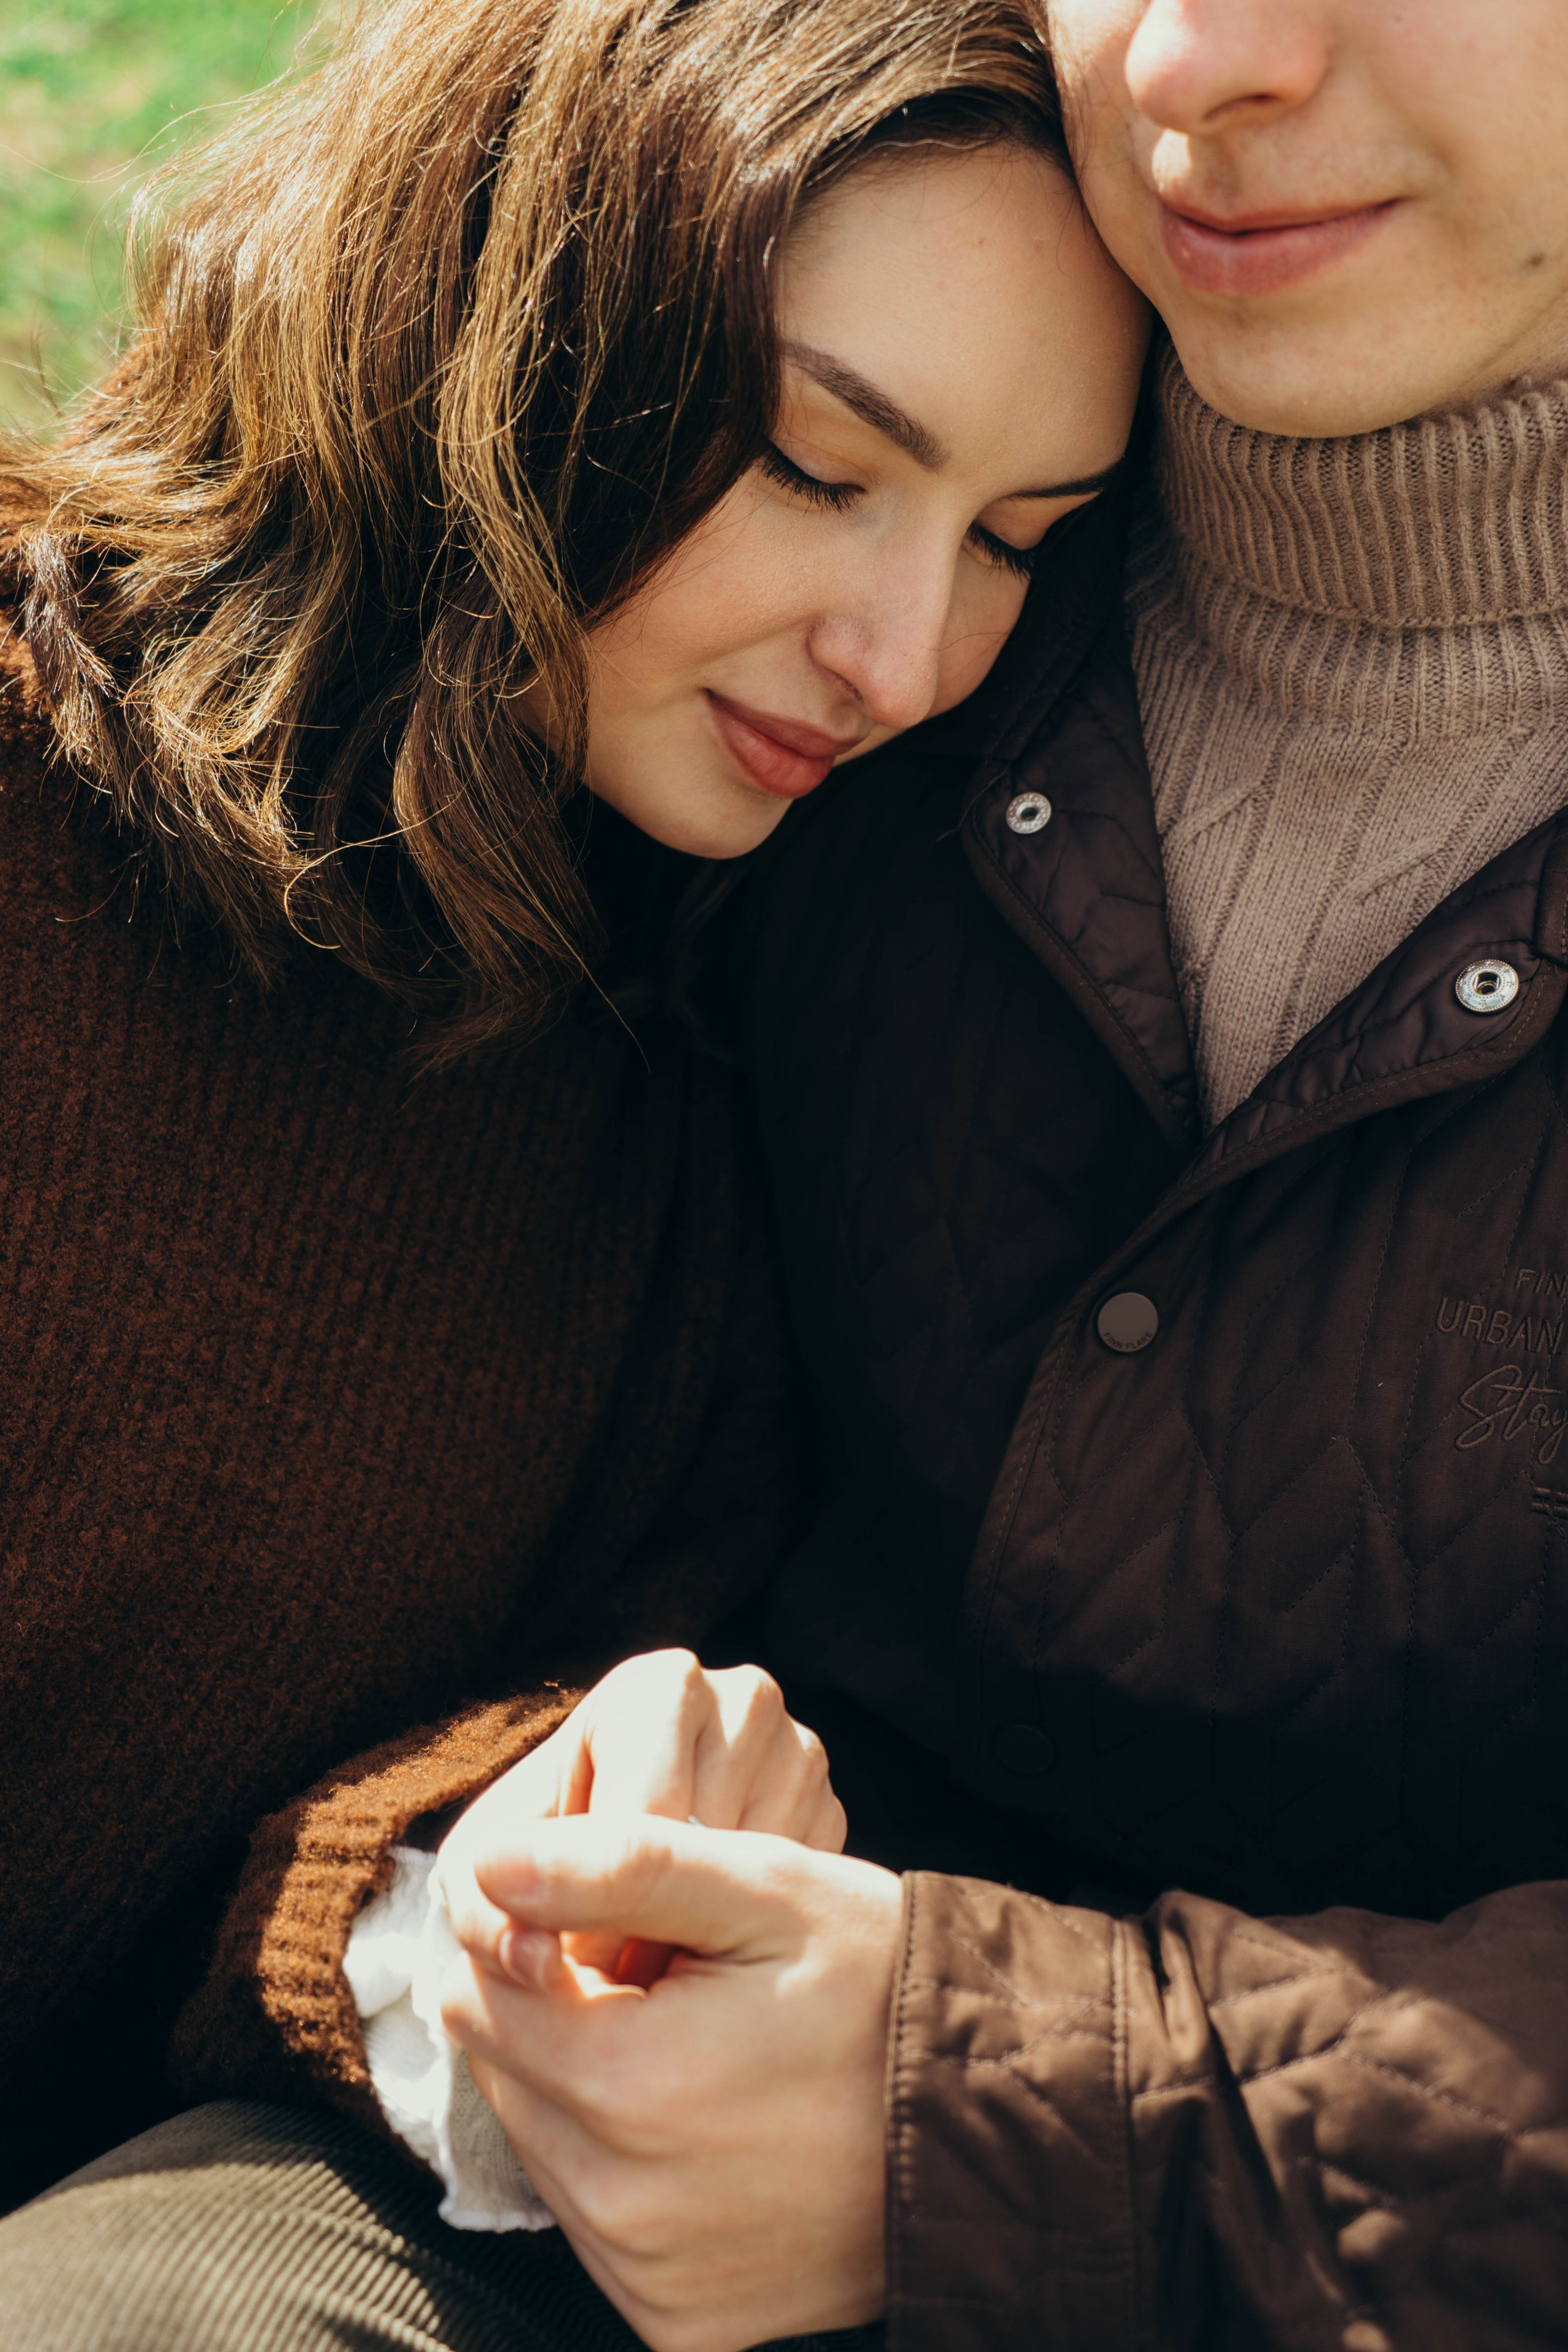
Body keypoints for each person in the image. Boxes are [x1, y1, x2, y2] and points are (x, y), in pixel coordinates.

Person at [244, 5, 1568, 2351]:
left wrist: (1018, 2120)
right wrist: (519, 1850)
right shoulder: (862, 356)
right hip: (532, 2131)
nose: (1194, 59)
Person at [0, 0, 1147, 2345]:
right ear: (513, 313)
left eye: (1019, 540)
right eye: (828, 467)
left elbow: (398, 1764)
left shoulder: (686, 1043)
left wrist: (505, 1855)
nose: (906, 649)